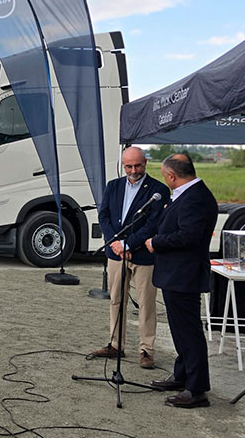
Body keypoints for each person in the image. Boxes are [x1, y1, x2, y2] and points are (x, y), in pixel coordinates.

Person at [145, 154, 218, 409]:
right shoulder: (187, 194)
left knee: (189, 331)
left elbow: (189, 236)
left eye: (165, 176)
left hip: (184, 274)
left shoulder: (196, 198)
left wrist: (156, 242)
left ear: (172, 176)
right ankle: (182, 375)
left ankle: (197, 389)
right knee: (179, 329)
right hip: (175, 273)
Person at [90, 146, 169, 369]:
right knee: (116, 300)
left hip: (143, 255)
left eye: (137, 165)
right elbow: (103, 215)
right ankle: (116, 344)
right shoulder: (113, 186)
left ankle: (146, 350)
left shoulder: (158, 189)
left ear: (145, 162)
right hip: (116, 254)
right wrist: (116, 244)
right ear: (122, 165)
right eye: (128, 166)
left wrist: (128, 243)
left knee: (146, 303)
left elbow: (154, 223)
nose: (133, 170)